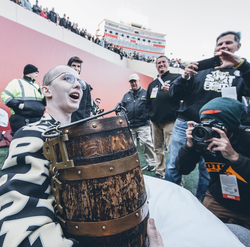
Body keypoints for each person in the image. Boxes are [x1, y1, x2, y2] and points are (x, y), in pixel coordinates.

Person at [0, 64, 164, 247]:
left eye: (80, 82)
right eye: (67, 78)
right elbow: (18, 230)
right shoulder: (33, 133)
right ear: (46, 90)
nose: (78, 85)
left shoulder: (82, 137)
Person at [165, 31, 250, 201]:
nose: (223, 47)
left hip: (221, 129)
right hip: (187, 125)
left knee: (210, 171)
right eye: (220, 44)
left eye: (228, 43)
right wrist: (184, 76)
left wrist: (241, 65)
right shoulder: (199, 70)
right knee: (175, 165)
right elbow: (174, 93)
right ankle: (170, 201)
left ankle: (203, 205)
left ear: (237, 47)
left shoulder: (241, 73)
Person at [175, 97, 250, 230]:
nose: (209, 130)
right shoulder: (203, 138)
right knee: (203, 233)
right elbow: (182, 169)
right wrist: (189, 146)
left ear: (231, 126)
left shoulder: (246, 138)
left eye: (214, 126)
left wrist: (234, 157)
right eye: (204, 124)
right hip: (219, 198)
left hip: (247, 207)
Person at [146, 55, 180, 178]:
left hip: (170, 120)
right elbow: (148, 103)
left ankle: (174, 176)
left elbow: (182, 95)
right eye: (158, 63)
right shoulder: (152, 84)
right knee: (157, 149)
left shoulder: (176, 78)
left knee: (172, 150)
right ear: (156, 66)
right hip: (155, 121)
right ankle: (160, 172)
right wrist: (150, 116)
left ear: (168, 63)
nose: (161, 64)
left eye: (163, 62)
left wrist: (172, 91)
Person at [121, 74, 156, 171]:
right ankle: (132, 164)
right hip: (130, 125)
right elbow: (121, 108)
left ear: (139, 81)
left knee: (145, 143)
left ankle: (152, 164)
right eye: (131, 81)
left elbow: (151, 106)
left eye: (135, 81)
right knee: (130, 146)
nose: (133, 83)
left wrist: (148, 116)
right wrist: (122, 117)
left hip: (143, 124)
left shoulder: (146, 93)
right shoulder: (126, 95)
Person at [1, 64, 45, 135]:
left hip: (38, 120)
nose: (37, 75)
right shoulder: (16, 82)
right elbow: (5, 95)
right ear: (29, 73)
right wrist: (18, 105)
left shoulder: (38, 87)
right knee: (22, 142)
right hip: (21, 120)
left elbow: (44, 102)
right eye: (36, 73)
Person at [67, 56, 92, 121]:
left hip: (80, 122)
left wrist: (85, 118)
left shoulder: (85, 86)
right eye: (74, 66)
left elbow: (88, 105)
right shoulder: (63, 83)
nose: (76, 68)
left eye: (78, 66)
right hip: (65, 121)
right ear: (68, 67)